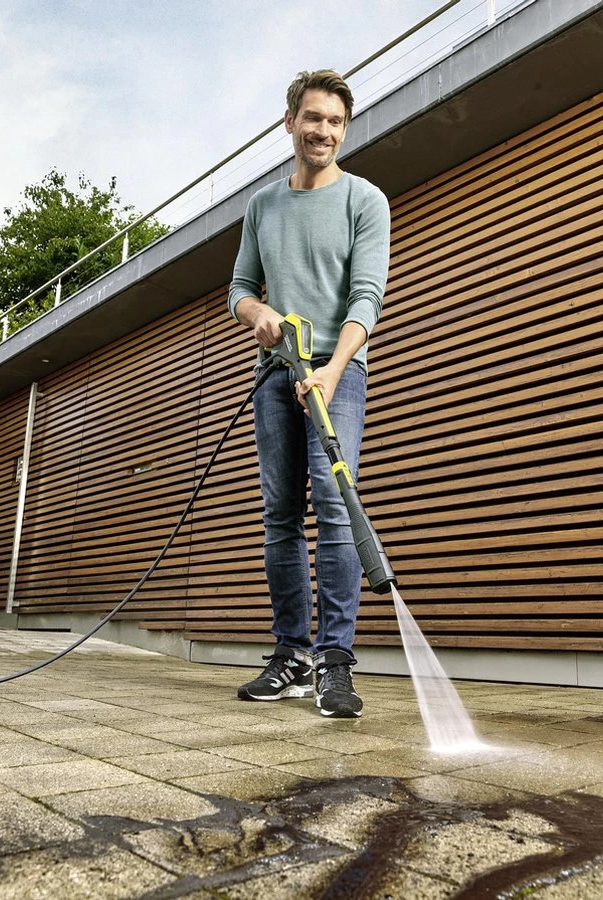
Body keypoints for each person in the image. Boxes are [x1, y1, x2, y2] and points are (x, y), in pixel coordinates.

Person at [227, 69, 391, 718]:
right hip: (275, 375)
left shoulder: (365, 201)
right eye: (314, 118)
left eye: (335, 122)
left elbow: (366, 299)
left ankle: (335, 661)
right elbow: (239, 288)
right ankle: (292, 656)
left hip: (338, 374)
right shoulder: (263, 207)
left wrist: (331, 369)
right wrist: (257, 315)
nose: (324, 131)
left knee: (334, 502)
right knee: (280, 514)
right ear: (290, 122)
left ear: (343, 129)